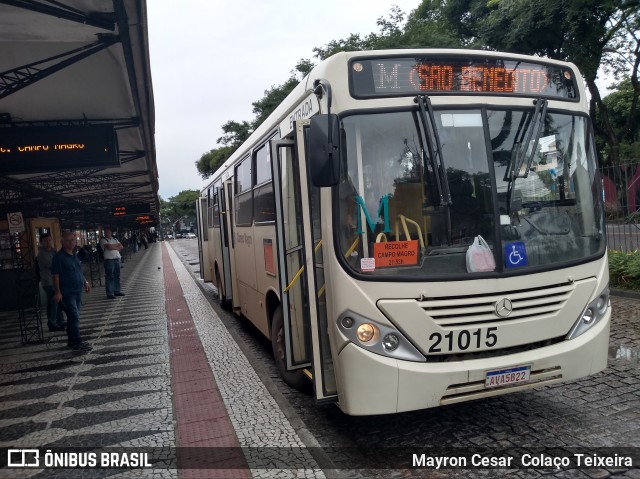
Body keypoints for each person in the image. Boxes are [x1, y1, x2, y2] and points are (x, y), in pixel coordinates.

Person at [52, 231, 92, 352]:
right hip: (67, 292)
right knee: (74, 316)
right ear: (62, 242)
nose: (71, 243)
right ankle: (77, 341)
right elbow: (55, 276)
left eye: (72, 240)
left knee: (73, 317)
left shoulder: (74, 255)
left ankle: (71, 340)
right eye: (67, 240)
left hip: (77, 290)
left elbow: (78, 271)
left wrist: (85, 282)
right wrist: (57, 291)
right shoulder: (58, 257)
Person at [37, 233, 66, 332]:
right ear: (41, 242)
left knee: (57, 303)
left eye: (49, 240)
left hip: (56, 281)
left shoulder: (53, 251)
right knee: (53, 304)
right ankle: (52, 323)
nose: (48, 243)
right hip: (48, 282)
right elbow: (52, 264)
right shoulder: (41, 254)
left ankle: (60, 321)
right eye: (45, 241)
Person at [100, 227, 125, 299]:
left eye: (108, 232)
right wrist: (116, 246)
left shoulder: (115, 239)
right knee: (109, 276)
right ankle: (110, 293)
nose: (106, 233)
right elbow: (109, 247)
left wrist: (113, 246)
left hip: (117, 259)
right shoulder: (103, 240)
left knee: (117, 276)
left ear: (111, 232)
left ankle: (116, 291)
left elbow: (121, 246)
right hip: (109, 260)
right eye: (105, 232)